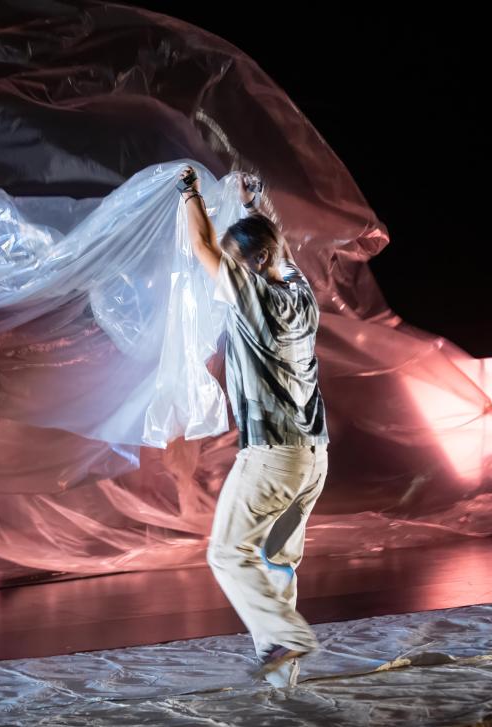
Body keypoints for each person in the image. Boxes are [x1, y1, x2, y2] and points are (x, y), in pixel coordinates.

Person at [177, 166, 330, 687]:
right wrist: (252, 204)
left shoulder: (253, 296)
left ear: (253, 262)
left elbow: (200, 245)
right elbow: (277, 248)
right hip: (313, 458)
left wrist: (189, 192)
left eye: (236, 262)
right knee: (276, 564)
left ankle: (284, 639)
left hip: (273, 454)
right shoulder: (301, 296)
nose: (228, 270)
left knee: (227, 552)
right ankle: (283, 683)